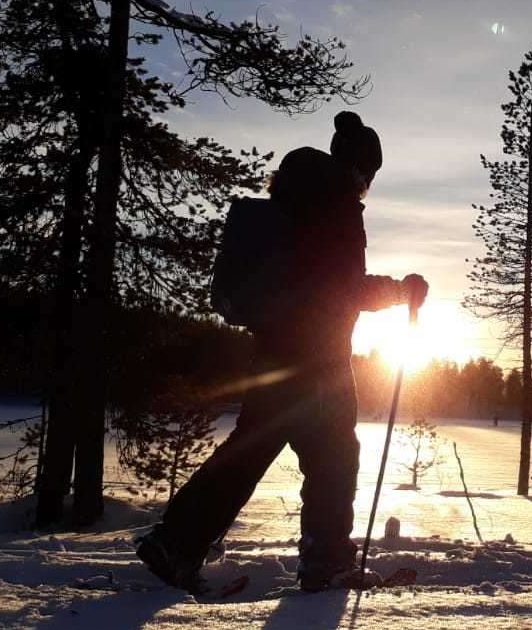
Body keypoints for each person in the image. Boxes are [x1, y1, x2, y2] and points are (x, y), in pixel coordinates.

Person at [136, 112, 430, 592]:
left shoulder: (293, 200)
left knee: (251, 449)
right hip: (318, 358)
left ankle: (177, 541)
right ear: (362, 170)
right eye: (369, 176)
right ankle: (327, 561)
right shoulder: (336, 207)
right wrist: (401, 290)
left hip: (274, 352)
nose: (367, 185)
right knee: (334, 457)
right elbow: (341, 290)